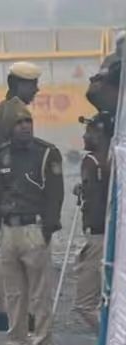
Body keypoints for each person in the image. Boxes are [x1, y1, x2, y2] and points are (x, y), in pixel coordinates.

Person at [0, 109, 63, 345]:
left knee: (40, 294)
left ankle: (42, 343)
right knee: (13, 294)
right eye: (19, 123)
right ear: (8, 128)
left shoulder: (47, 153)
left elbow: (55, 195)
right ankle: (17, 342)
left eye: (29, 121)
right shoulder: (3, 155)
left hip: (34, 229)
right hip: (8, 231)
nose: (25, 126)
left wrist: (48, 229)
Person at [0, 61, 42, 331]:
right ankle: (7, 311)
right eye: (33, 84)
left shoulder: (1, 109)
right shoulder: (18, 112)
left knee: (1, 245)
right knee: (15, 249)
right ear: (20, 84)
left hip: (5, 179)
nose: (37, 89)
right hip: (15, 182)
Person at [73, 112, 112, 328]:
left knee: (85, 304)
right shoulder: (113, 160)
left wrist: (86, 193)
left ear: (101, 134)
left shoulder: (92, 162)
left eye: (89, 131)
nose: (84, 136)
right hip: (109, 236)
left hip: (97, 236)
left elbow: (97, 204)